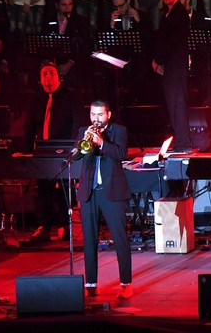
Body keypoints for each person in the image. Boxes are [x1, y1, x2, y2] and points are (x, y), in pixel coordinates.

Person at [75, 99, 134, 299]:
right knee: (89, 239)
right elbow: (76, 157)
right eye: (93, 114)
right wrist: (86, 142)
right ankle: (91, 283)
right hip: (89, 192)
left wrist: (101, 142)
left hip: (112, 192)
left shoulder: (118, 130)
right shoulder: (84, 130)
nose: (96, 119)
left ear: (108, 115)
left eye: (100, 115)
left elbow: (121, 153)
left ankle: (126, 283)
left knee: (120, 239)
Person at [23, 61, 84, 243]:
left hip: (64, 150)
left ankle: (64, 226)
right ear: (40, 80)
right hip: (42, 151)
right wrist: (26, 152)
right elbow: (29, 127)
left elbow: (78, 123)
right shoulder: (36, 100)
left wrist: (75, 148)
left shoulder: (71, 97)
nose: (48, 77)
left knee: (64, 189)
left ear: (59, 77)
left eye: (51, 73)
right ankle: (44, 227)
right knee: (43, 189)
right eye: (44, 74)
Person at [152, 0, 191, 150]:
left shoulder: (179, 13)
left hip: (175, 65)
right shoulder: (167, 13)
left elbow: (172, 41)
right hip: (169, 65)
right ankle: (181, 140)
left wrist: (158, 60)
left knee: (177, 103)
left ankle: (183, 141)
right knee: (174, 103)